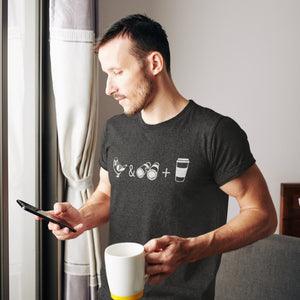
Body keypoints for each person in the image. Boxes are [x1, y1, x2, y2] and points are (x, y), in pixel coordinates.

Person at [46, 14, 277, 299]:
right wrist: (81, 217)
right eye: (107, 74)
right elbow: (107, 194)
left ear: (154, 63)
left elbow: (263, 215)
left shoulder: (214, 132)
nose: (108, 88)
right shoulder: (115, 130)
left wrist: (192, 249)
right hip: (115, 293)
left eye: (117, 72)